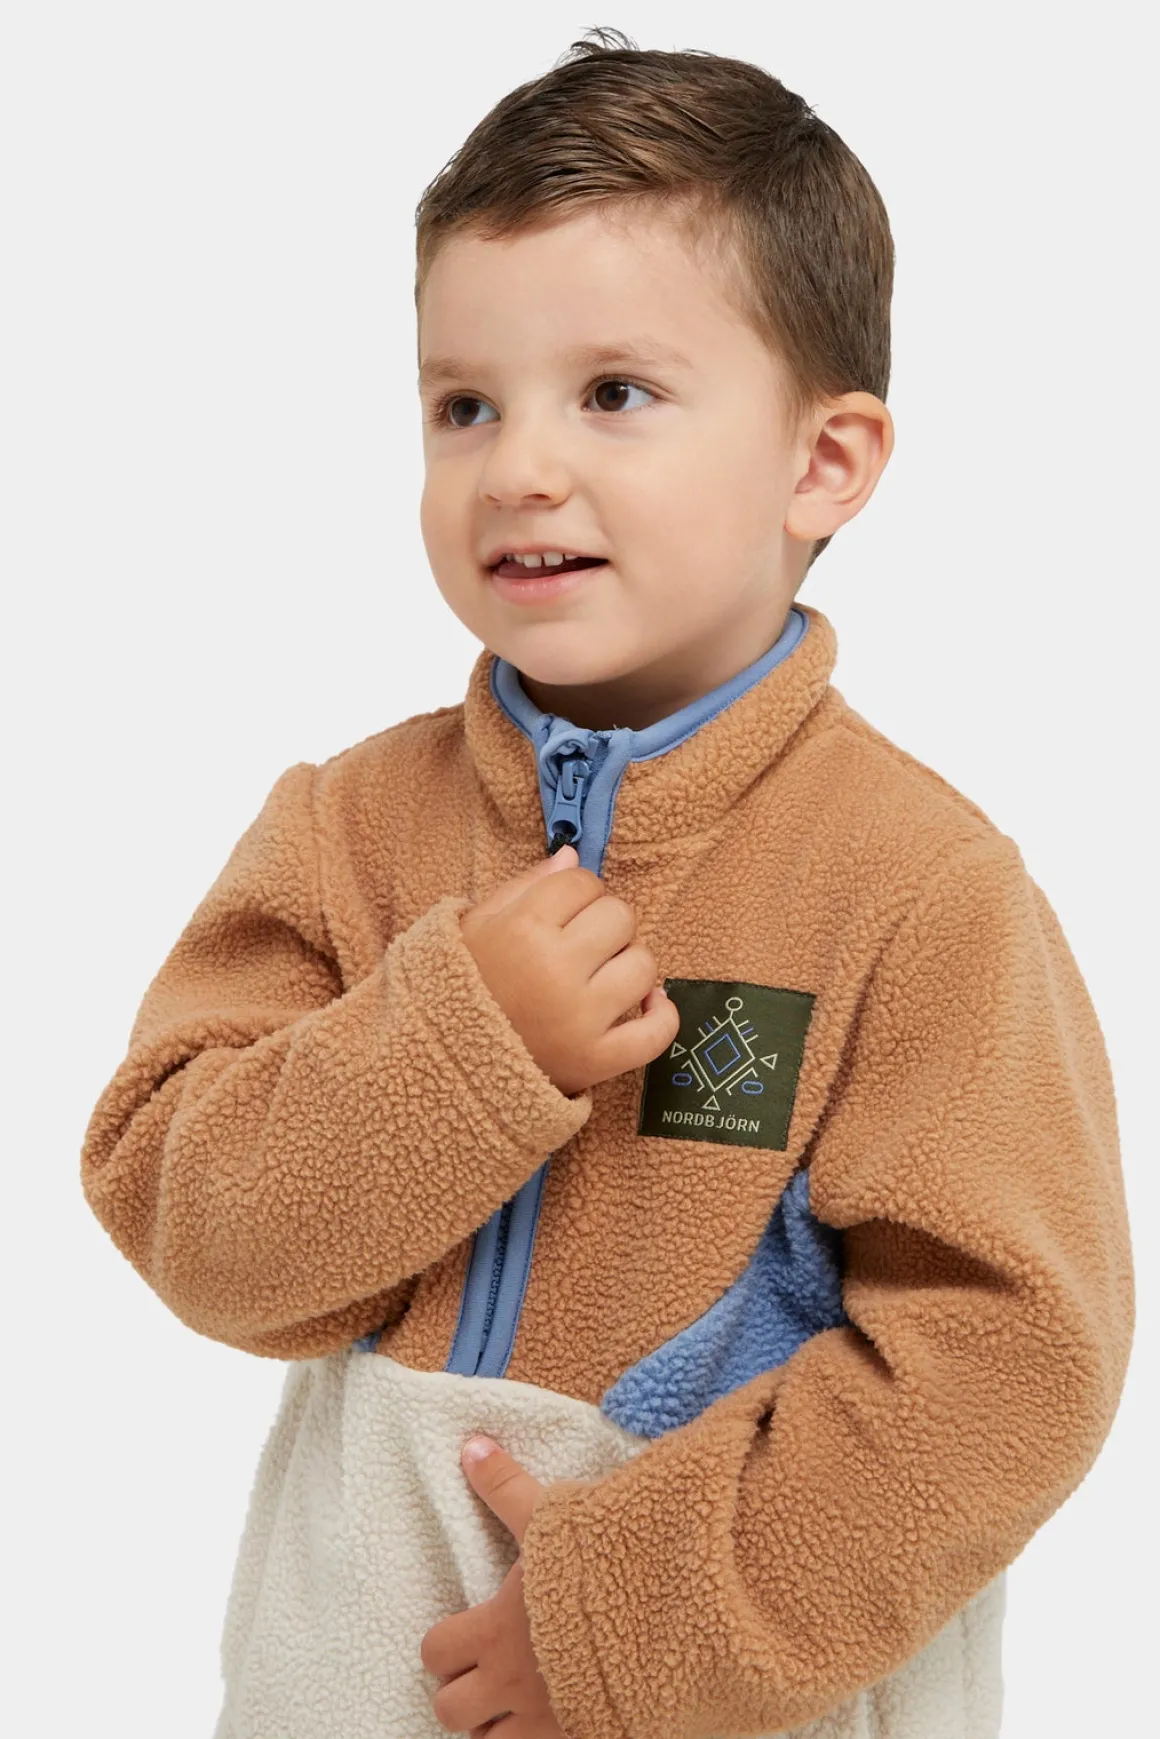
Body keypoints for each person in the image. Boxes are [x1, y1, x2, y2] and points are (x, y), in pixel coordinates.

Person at [78, 26, 1135, 1739]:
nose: (517, 466)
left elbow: (1007, 1363)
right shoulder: (346, 830)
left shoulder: (918, 889)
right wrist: (457, 1048)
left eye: (614, 394)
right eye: (464, 404)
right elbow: (191, 1229)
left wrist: (625, 1626)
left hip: (725, 1688)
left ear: (824, 462)